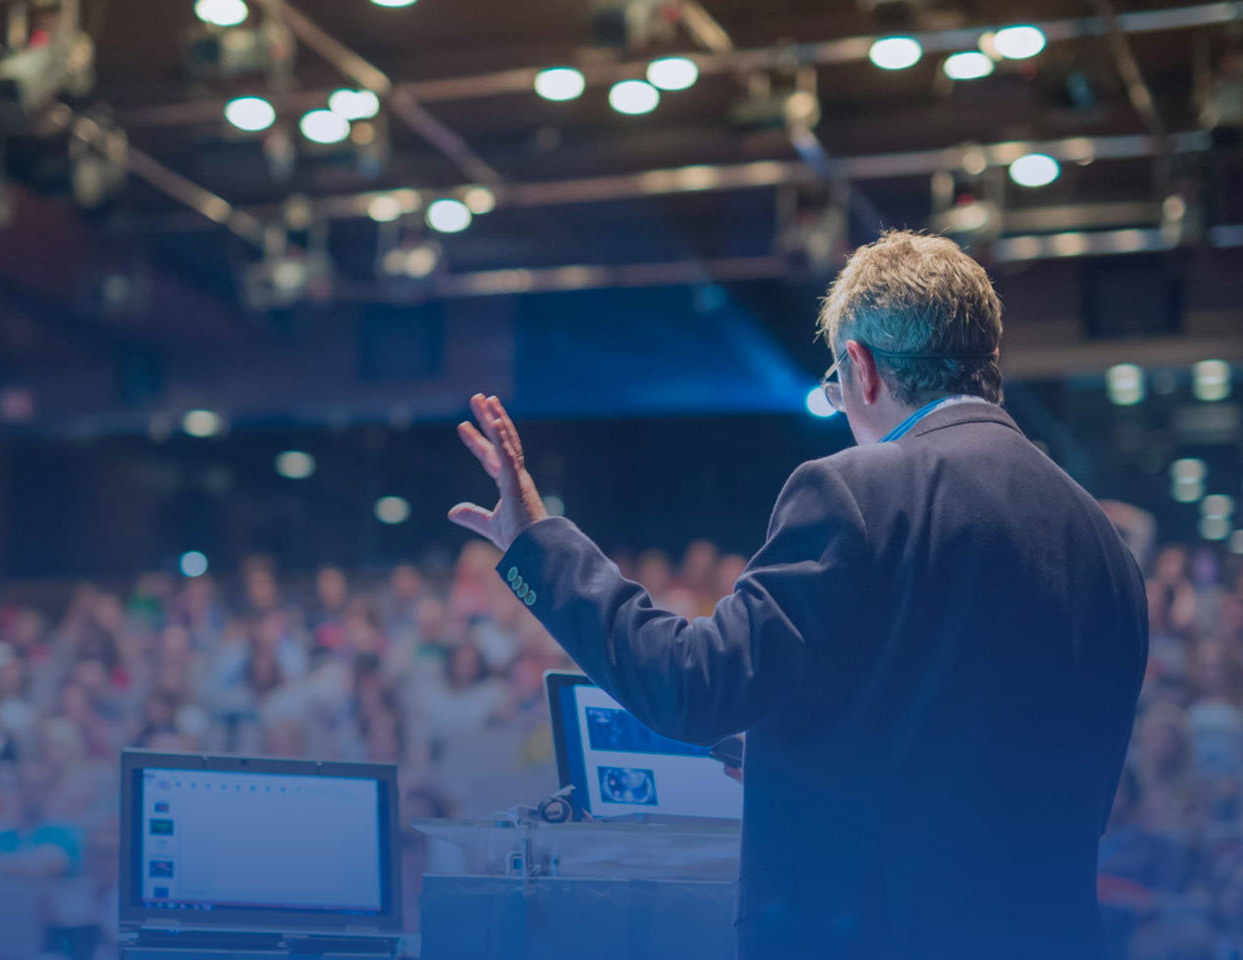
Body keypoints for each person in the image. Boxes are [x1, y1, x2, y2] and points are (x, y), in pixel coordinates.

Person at [450, 230, 1148, 959]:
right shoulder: (1102, 544)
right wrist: (805, 756)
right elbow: (1020, 775)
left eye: (836, 384)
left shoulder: (859, 487)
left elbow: (691, 688)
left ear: (861, 367)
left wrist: (535, 539)